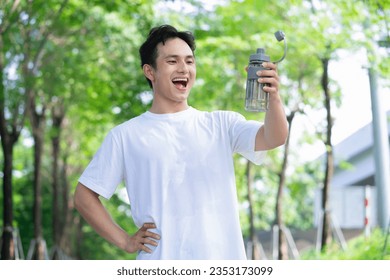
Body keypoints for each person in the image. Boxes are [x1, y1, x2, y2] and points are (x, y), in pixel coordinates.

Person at [74, 24, 288, 260]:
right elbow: (84, 196)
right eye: (172, 61)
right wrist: (125, 240)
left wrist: (274, 97)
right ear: (149, 71)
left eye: (189, 61)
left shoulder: (221, 124)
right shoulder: (125, 136)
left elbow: (274, 137)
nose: (184, 68)